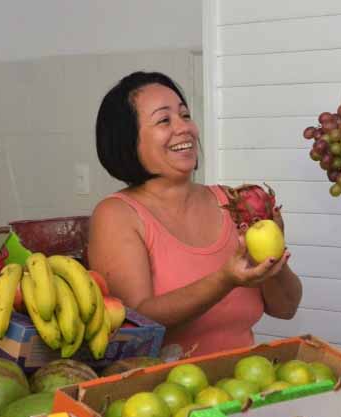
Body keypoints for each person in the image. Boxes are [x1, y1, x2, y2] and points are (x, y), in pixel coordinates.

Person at [88, 71, 302, 358]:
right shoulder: (117, 215)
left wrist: (273, 258)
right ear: (128, 140)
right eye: (164, 120)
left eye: (185, 115)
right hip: (162, 384)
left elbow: (286, 308)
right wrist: (225, 280)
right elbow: (136, 322)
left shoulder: (234, 203)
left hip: (247, 379)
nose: (185, 128)